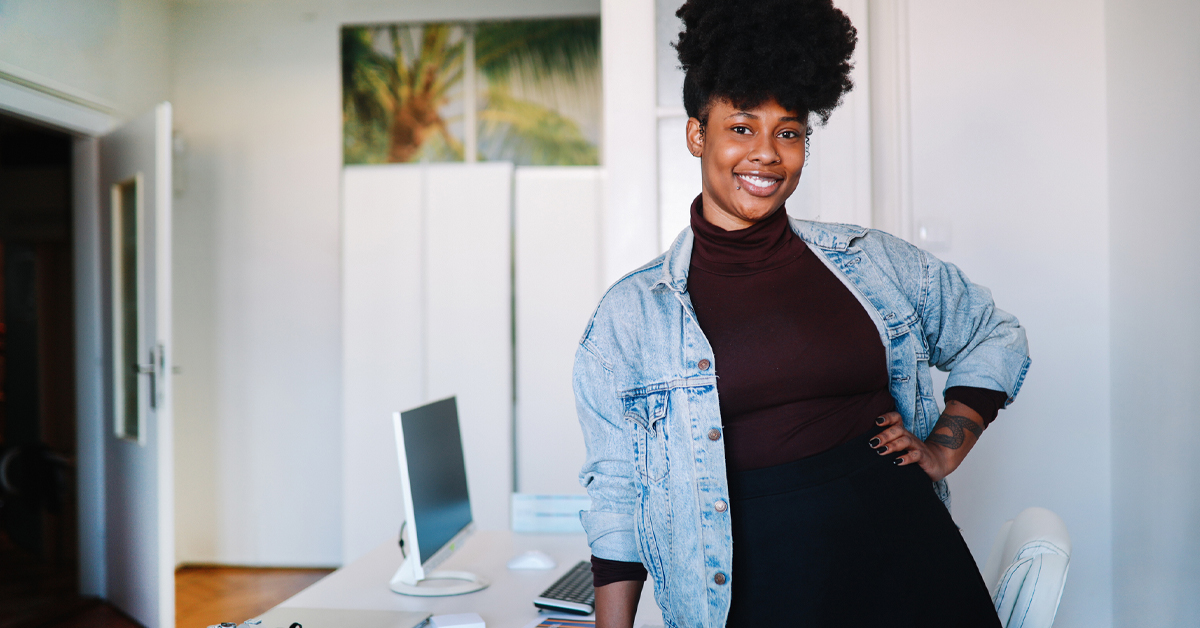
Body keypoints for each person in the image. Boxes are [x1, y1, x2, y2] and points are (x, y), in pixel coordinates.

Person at [573, 1, 1030, 627]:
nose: (766, 153)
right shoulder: (631, 316)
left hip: (909, 557)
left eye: (788, 132)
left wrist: (944, 447)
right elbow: (617, 491)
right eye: (741, 127)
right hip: (756, 583)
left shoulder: (871, 262)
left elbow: (993, 333)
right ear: (696, 134)